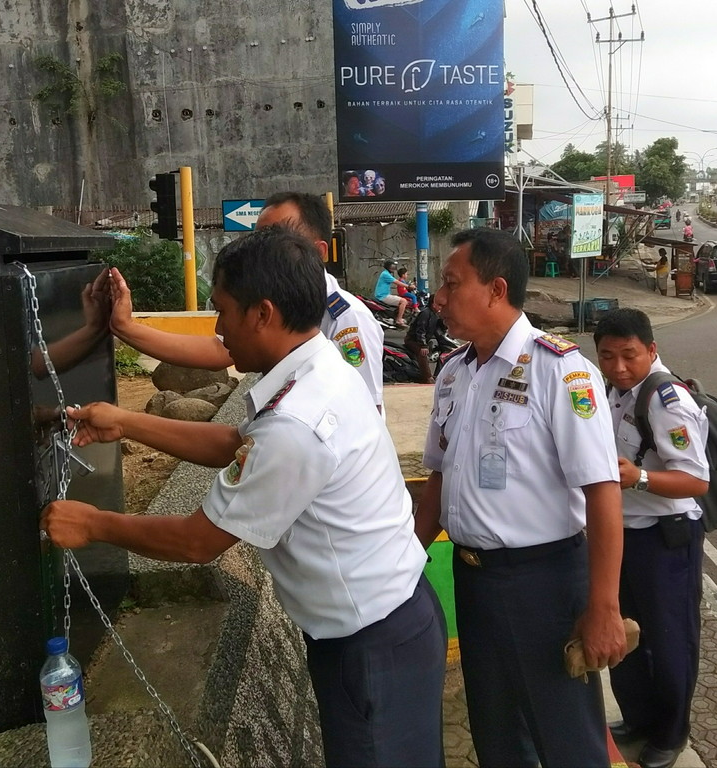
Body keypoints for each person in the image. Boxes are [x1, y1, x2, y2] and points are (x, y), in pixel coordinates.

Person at [42, 229, 447, 768]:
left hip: (372, 645)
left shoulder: (298, 421)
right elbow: (239, 444)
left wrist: (94, 524)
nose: (216, 328)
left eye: (223, 311)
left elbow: (197, 542)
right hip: (389, 622)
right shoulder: (315, 367)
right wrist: (127, 422)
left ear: (263, 313)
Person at [414, 228, 627, 767]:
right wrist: (403, 561)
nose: (438, 297)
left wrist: (603, 607)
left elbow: (603, 494)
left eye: (451, 282)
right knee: (496, 730)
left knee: (566, 737)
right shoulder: (453, 373)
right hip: (475, 580)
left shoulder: (562, 370)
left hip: (545, 584)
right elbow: (437, 482)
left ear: (496, 289)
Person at [108, 191, 385, 412]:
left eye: (276, 239)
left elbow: (364, 411)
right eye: (258, 238)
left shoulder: (348, 319)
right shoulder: (270, 304)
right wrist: (126, 327)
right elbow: (220, 351)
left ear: (318, 251)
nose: (259, 250)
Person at [594, 309, 709, 768]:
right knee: (627, 635)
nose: (619, 367)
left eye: (629, 356)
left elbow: (696, 481)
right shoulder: (612, 391)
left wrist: (637, 477)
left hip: (666, 541)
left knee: (670, 639)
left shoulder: (666, 400)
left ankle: (671, 732)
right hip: (624, 534)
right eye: (607, 356)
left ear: (652, 350)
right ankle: (638, 719)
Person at [403, 293, 446, 384]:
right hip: (413, 340)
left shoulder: (435, 315)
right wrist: (423, 345)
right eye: (439, 304)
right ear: (433, 303)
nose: (440, 307)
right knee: (422, 353)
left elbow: (441, 327)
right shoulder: (425, 313)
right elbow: (420, 330)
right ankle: (428, 377)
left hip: (424, 341)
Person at [374, 259, 409, 328]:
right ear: (388, 267)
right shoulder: (385, 274)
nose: (393, 268)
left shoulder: (386, 273)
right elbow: (397, 282)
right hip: (383, 296)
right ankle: (399, 320)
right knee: (403, 301)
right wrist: (408, 286)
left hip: (384, 295)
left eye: (394, 266)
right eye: (392, 266)